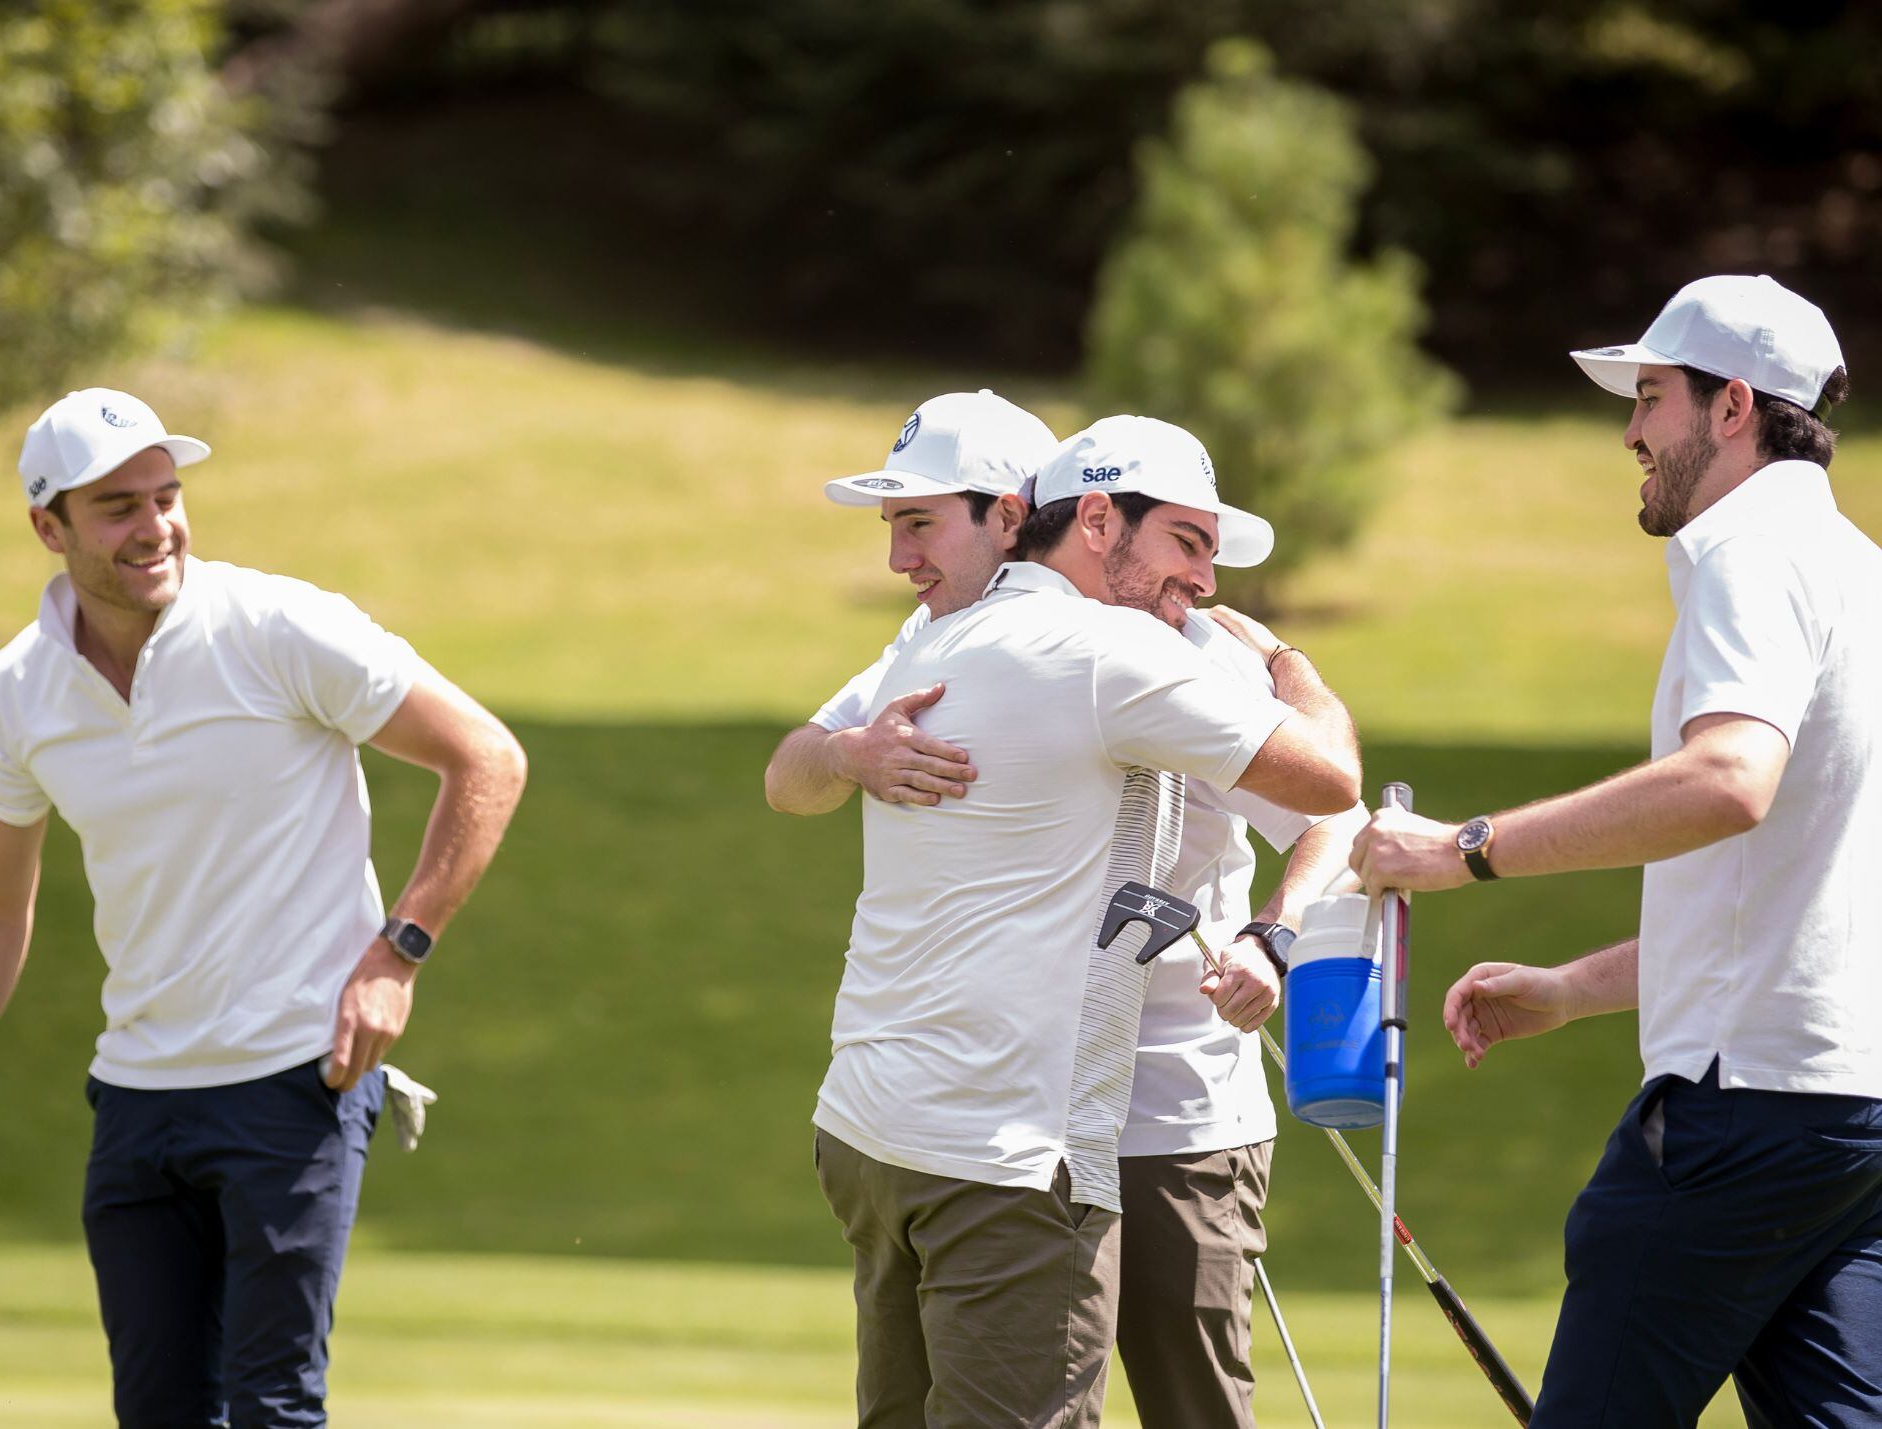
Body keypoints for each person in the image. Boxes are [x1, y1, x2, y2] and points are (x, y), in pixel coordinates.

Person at [0, 389, 529, 1428]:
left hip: (293, 1077)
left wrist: (394, 954)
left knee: (271, 1408)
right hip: (135, 1097)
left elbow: (486, 759)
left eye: (167, 495)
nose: (156, 526)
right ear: (48, 528)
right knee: (159, 1413)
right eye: (117, 506)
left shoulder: (276, 626)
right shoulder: (15, 693)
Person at [767, 398, 1364, 1427]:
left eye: (921, 523)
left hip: (900, 1125)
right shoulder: (1061, 648)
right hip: (1009, 1143)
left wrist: (1275, 930)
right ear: (1091, 524)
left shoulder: (947, 640)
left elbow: (1331, 816)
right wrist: (1288, 660)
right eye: (1185, 541)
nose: (1204, 582)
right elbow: (1332, 772)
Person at [1350, 275, 1882, 1427]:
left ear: (1730, 405)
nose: (1629, 432)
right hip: (1849, 1128)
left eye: (1649, 397)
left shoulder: (1750, 552)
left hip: (1734, 1123)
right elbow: (1785, 904)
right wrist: (1566, 989)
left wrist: (1461, 850)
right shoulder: (1858, 571)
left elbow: (1726, 781)